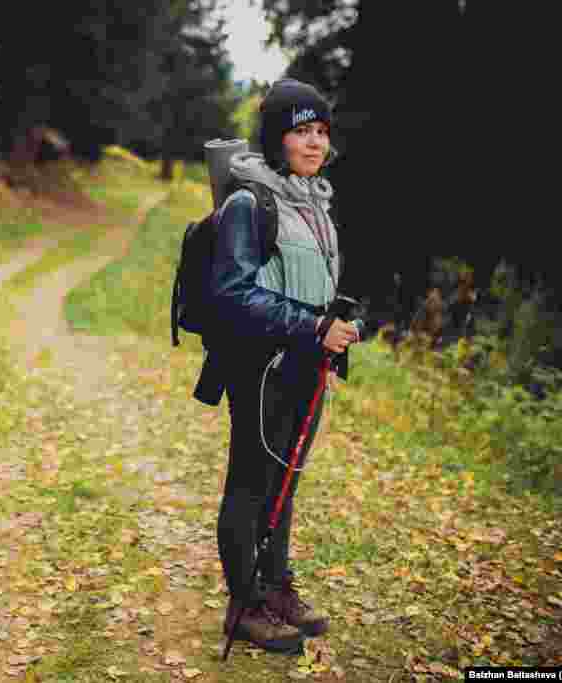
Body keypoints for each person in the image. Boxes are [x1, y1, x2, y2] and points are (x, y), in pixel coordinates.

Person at [208, 78, 359, 652]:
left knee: (285, 480)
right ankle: (242, 603)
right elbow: (232, 292)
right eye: (301, 131)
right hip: (260, 363)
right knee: (250, 482)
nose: (315, 142)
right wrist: (311, 326)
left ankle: (274, 588)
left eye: (321, 131)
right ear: (276, 138)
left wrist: (338, 325)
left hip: (305, 363)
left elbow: (315, 285)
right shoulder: (252, 201)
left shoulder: (315, 201)